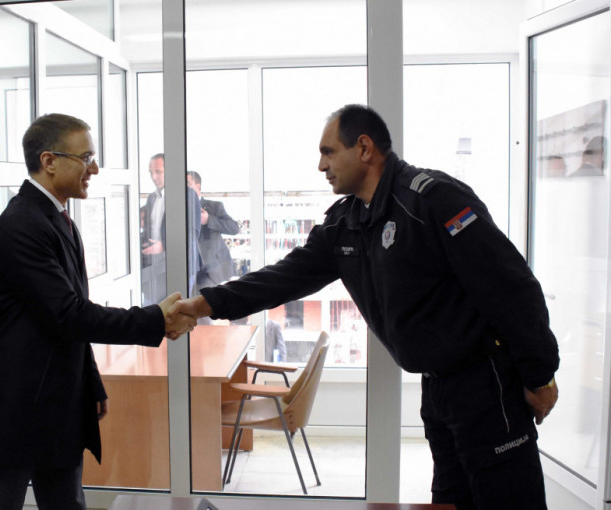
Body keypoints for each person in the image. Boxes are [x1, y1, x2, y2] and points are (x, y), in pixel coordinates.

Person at [172, 104, 560, 510]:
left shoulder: (433, 200)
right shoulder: (347, 223)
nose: (321, 165)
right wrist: (205, 304)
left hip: (486, 383)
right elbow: (283, 277)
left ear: (363, 147)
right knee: (449, 501)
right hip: (439, 390)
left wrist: (540, 375)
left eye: (328, 152)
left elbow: (509, 287)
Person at [0, 114, 194, 510]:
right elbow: (68, 314)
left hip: (57, 403)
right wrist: (155, 318)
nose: (94, 169)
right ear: (49, 161)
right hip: (13, 406)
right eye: (86, 158)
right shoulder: (22, 225)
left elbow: (65, 323)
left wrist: (91, 383)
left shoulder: (55, 218)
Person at [140, 154, 201, 304]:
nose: (153, 177)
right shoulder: (152, 198)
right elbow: (151, 228)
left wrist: (163, 245)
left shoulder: (187, 194)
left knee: (177, 309)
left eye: (158, 172)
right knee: (153, 309)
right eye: (151, 172)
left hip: (180, 263)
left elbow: (192, 232)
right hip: (154, 264)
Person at [186, 171, 240, 292]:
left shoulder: (214, 207)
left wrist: (208, 220)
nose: (186, 188)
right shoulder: (180, 210)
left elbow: (234, 228)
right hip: (191, 269)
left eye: (188, 184)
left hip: (214, 269)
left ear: (198, 186)